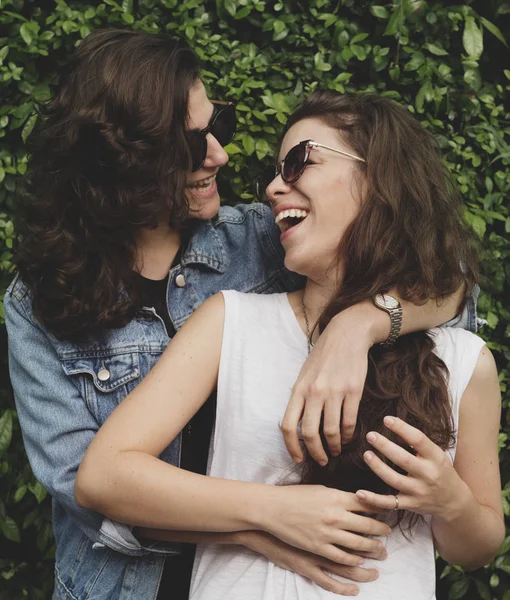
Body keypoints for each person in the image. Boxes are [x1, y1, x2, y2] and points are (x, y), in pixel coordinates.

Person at [5, 28, 474, 600]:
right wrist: (264, 522)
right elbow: (88, 491)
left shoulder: (262, 238)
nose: (220, 154)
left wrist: (362, 325)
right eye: (189, 144)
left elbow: (443, 275)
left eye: (216, 127)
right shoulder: (36, 304)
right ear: (119, 163)